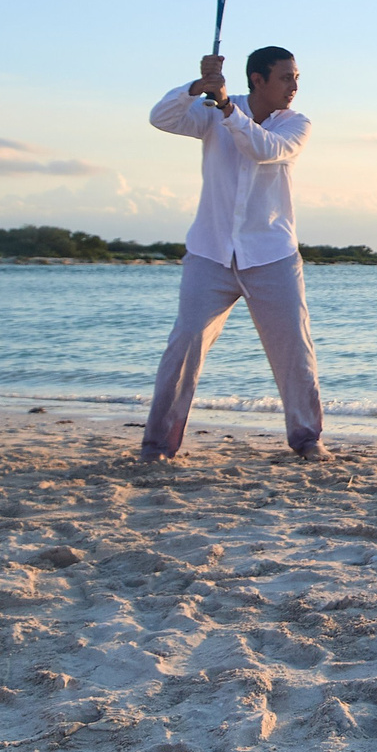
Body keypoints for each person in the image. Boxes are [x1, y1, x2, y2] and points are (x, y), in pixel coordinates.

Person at [139, 46, 326, 462]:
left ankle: (307, 439)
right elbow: (162, 117)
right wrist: (196, 87)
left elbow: (264, 150)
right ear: (257, 80)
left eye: (296, 78)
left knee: (294, 350)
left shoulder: (296, 123)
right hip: (210, 252)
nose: (294, 86)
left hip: (272, 253)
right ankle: (157, 445)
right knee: (184, 344)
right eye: (285, 77)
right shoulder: (211, 112)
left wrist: (225, 106)